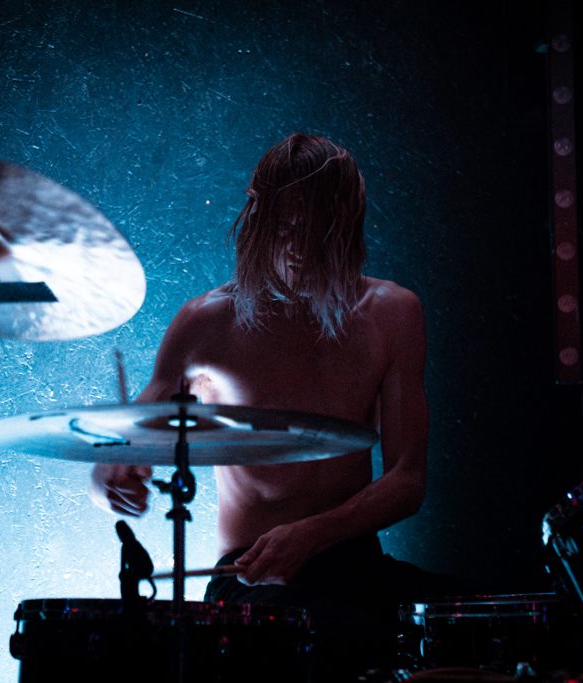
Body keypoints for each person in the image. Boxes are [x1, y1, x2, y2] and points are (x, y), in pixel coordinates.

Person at [90, 133, 452, 680]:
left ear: (346, 225)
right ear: (260, 224)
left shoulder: (392, 313)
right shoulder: (206, 322)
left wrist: (311, 534)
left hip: (354, 564)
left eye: (317, 229)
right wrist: (111, 479)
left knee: (507, 625)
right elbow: (120, 458)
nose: (300, 247)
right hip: (250, 578)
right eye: (285, 228)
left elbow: (407, 480)